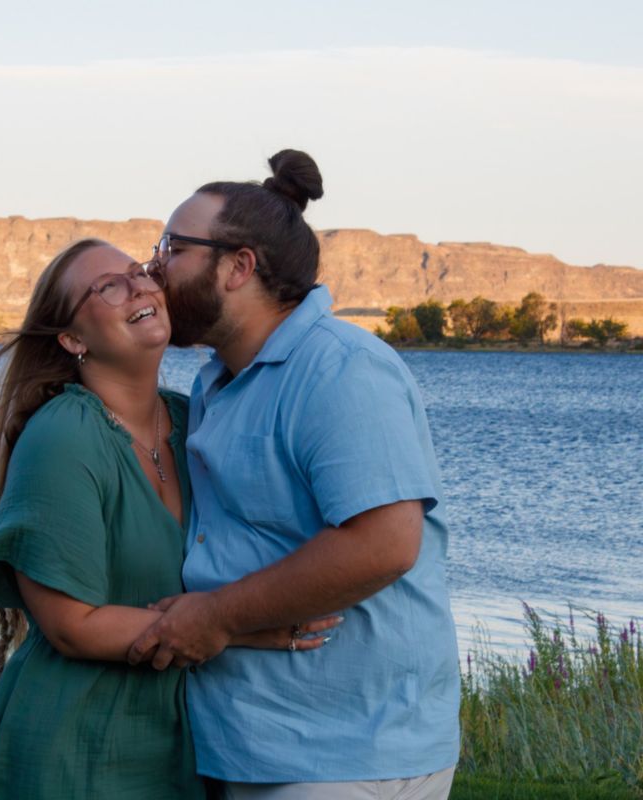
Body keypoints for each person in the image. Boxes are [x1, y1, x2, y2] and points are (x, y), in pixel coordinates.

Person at [0, 238, 336, 800]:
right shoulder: (63, 435)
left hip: (182, 742)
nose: (137, 287)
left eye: (138, 271)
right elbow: (70, 624)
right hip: (74, 747)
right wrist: (243, 627)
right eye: (107, 286)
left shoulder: (195, 420)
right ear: (73, 339)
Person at [128, 150, 461, 799]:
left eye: (172, 248)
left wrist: (216, 617)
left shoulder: (340, 368)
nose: (152, 267)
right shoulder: (217, 381)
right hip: (253, 744)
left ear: (239, 267)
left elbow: (385, 543)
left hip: (347, 753)